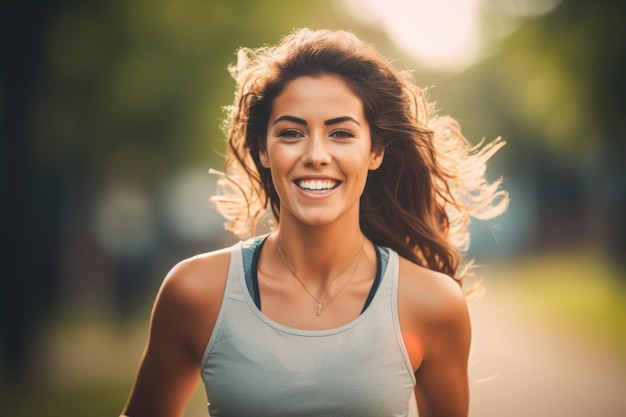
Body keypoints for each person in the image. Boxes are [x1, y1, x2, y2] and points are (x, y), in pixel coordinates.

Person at [120, 28, 508, 417]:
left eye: (341, 133)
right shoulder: (195, 292)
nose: (316, 154)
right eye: (291, 133)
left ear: (375, 151)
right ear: (262, 150)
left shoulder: (433, 304)